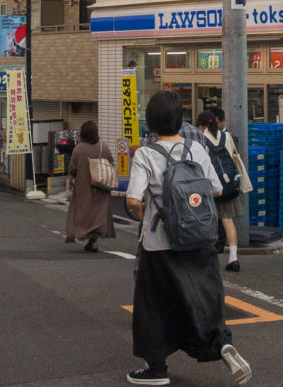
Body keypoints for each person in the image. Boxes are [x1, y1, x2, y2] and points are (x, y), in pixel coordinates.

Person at [125, 90, 251, 386]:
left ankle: (156, 368)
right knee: (205, 297)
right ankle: (221, 343)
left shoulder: (146, 153)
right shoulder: (196, 149)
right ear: (179, 119)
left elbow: (132, 200)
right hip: (200, 237)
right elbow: (217, 190)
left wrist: (149, 214)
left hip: (159, 244)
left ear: (151, 121)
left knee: (153, 305)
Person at [197, 110, 252, 272]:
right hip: (228, 186)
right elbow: (236, 157)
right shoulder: (226, 136)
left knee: (207, 221)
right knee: (228, 220)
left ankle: (206, 260)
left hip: (210, 187)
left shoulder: (201, 139)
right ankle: (234, 258)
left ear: (202, 125)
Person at [65, 120, 117, 252]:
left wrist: (70, 182)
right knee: (98, 212)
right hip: (101, 186)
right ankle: (95, 238)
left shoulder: (78, 150)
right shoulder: (103, 147)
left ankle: (87, 235)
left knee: (83, 212)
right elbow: (111, 164)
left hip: (84, 187)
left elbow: (72, 169)